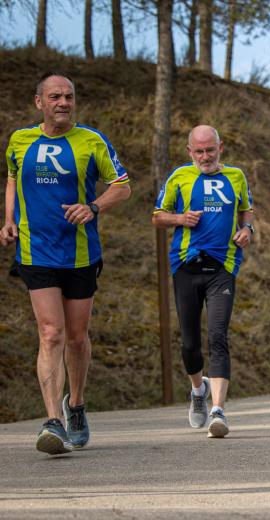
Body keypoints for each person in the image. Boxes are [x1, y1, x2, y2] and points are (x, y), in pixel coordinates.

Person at [0, 72, 131, 455]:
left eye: (69, 96)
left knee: (76, 337)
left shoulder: (92, 141)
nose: (63, 103)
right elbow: (12, 178)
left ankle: (76, 405)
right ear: (39, 102)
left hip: (79, 253)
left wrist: (93, 207)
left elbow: (122, 186)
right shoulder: (20, 141)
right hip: (35, 250)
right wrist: (9, 220)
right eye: (55, 96)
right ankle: (52, 420)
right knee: (51, 333)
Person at [152, 125, 254, 439]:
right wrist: (180, 219)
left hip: (223, 265)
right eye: (199, 151)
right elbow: (158, 215)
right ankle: (199, 389)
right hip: (185, 265)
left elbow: (245, 211)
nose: (205, 156)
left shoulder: (236, 176)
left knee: (219, 336)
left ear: (220, 147)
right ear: (189, 152)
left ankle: (219, 410)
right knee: (189, 343)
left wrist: (247, 230)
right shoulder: (179, 177)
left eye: (210, 150)